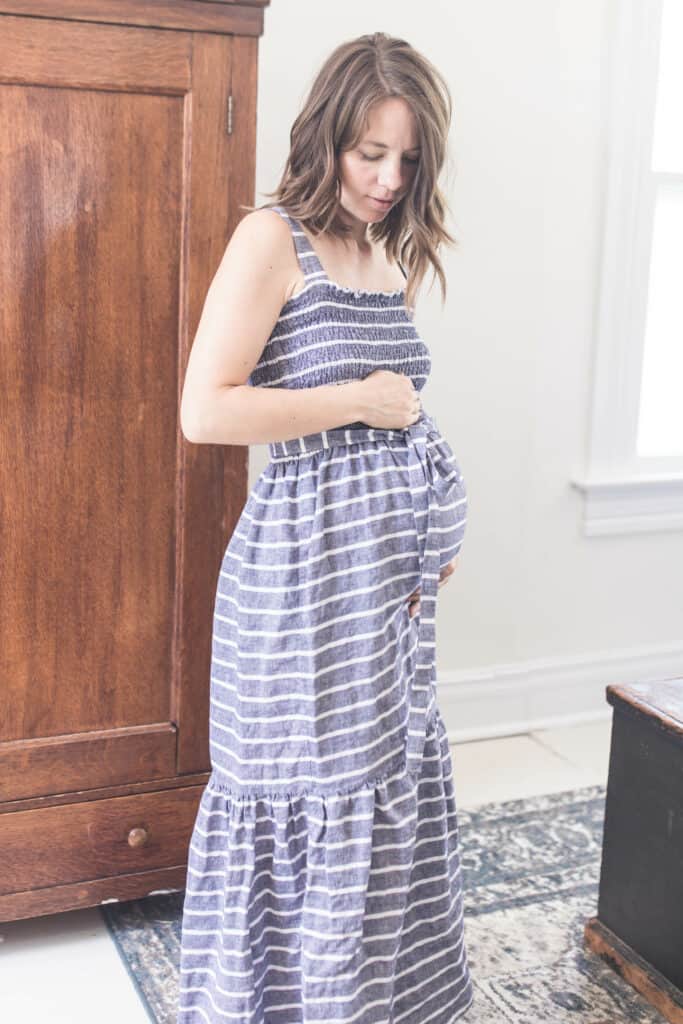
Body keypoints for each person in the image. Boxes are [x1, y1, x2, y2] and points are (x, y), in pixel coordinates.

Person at [176, 31, 473, 1024]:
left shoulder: (381, 247)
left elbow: (400, 414)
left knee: (381, 780)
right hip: (301, 590)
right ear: (327, 140)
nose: (388, 178)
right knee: (313, 793)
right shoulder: (273, 239)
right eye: (368, 154)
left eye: (405, 158)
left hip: (382, 591)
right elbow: (206, 410)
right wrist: (354, 399)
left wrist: (433, 533)